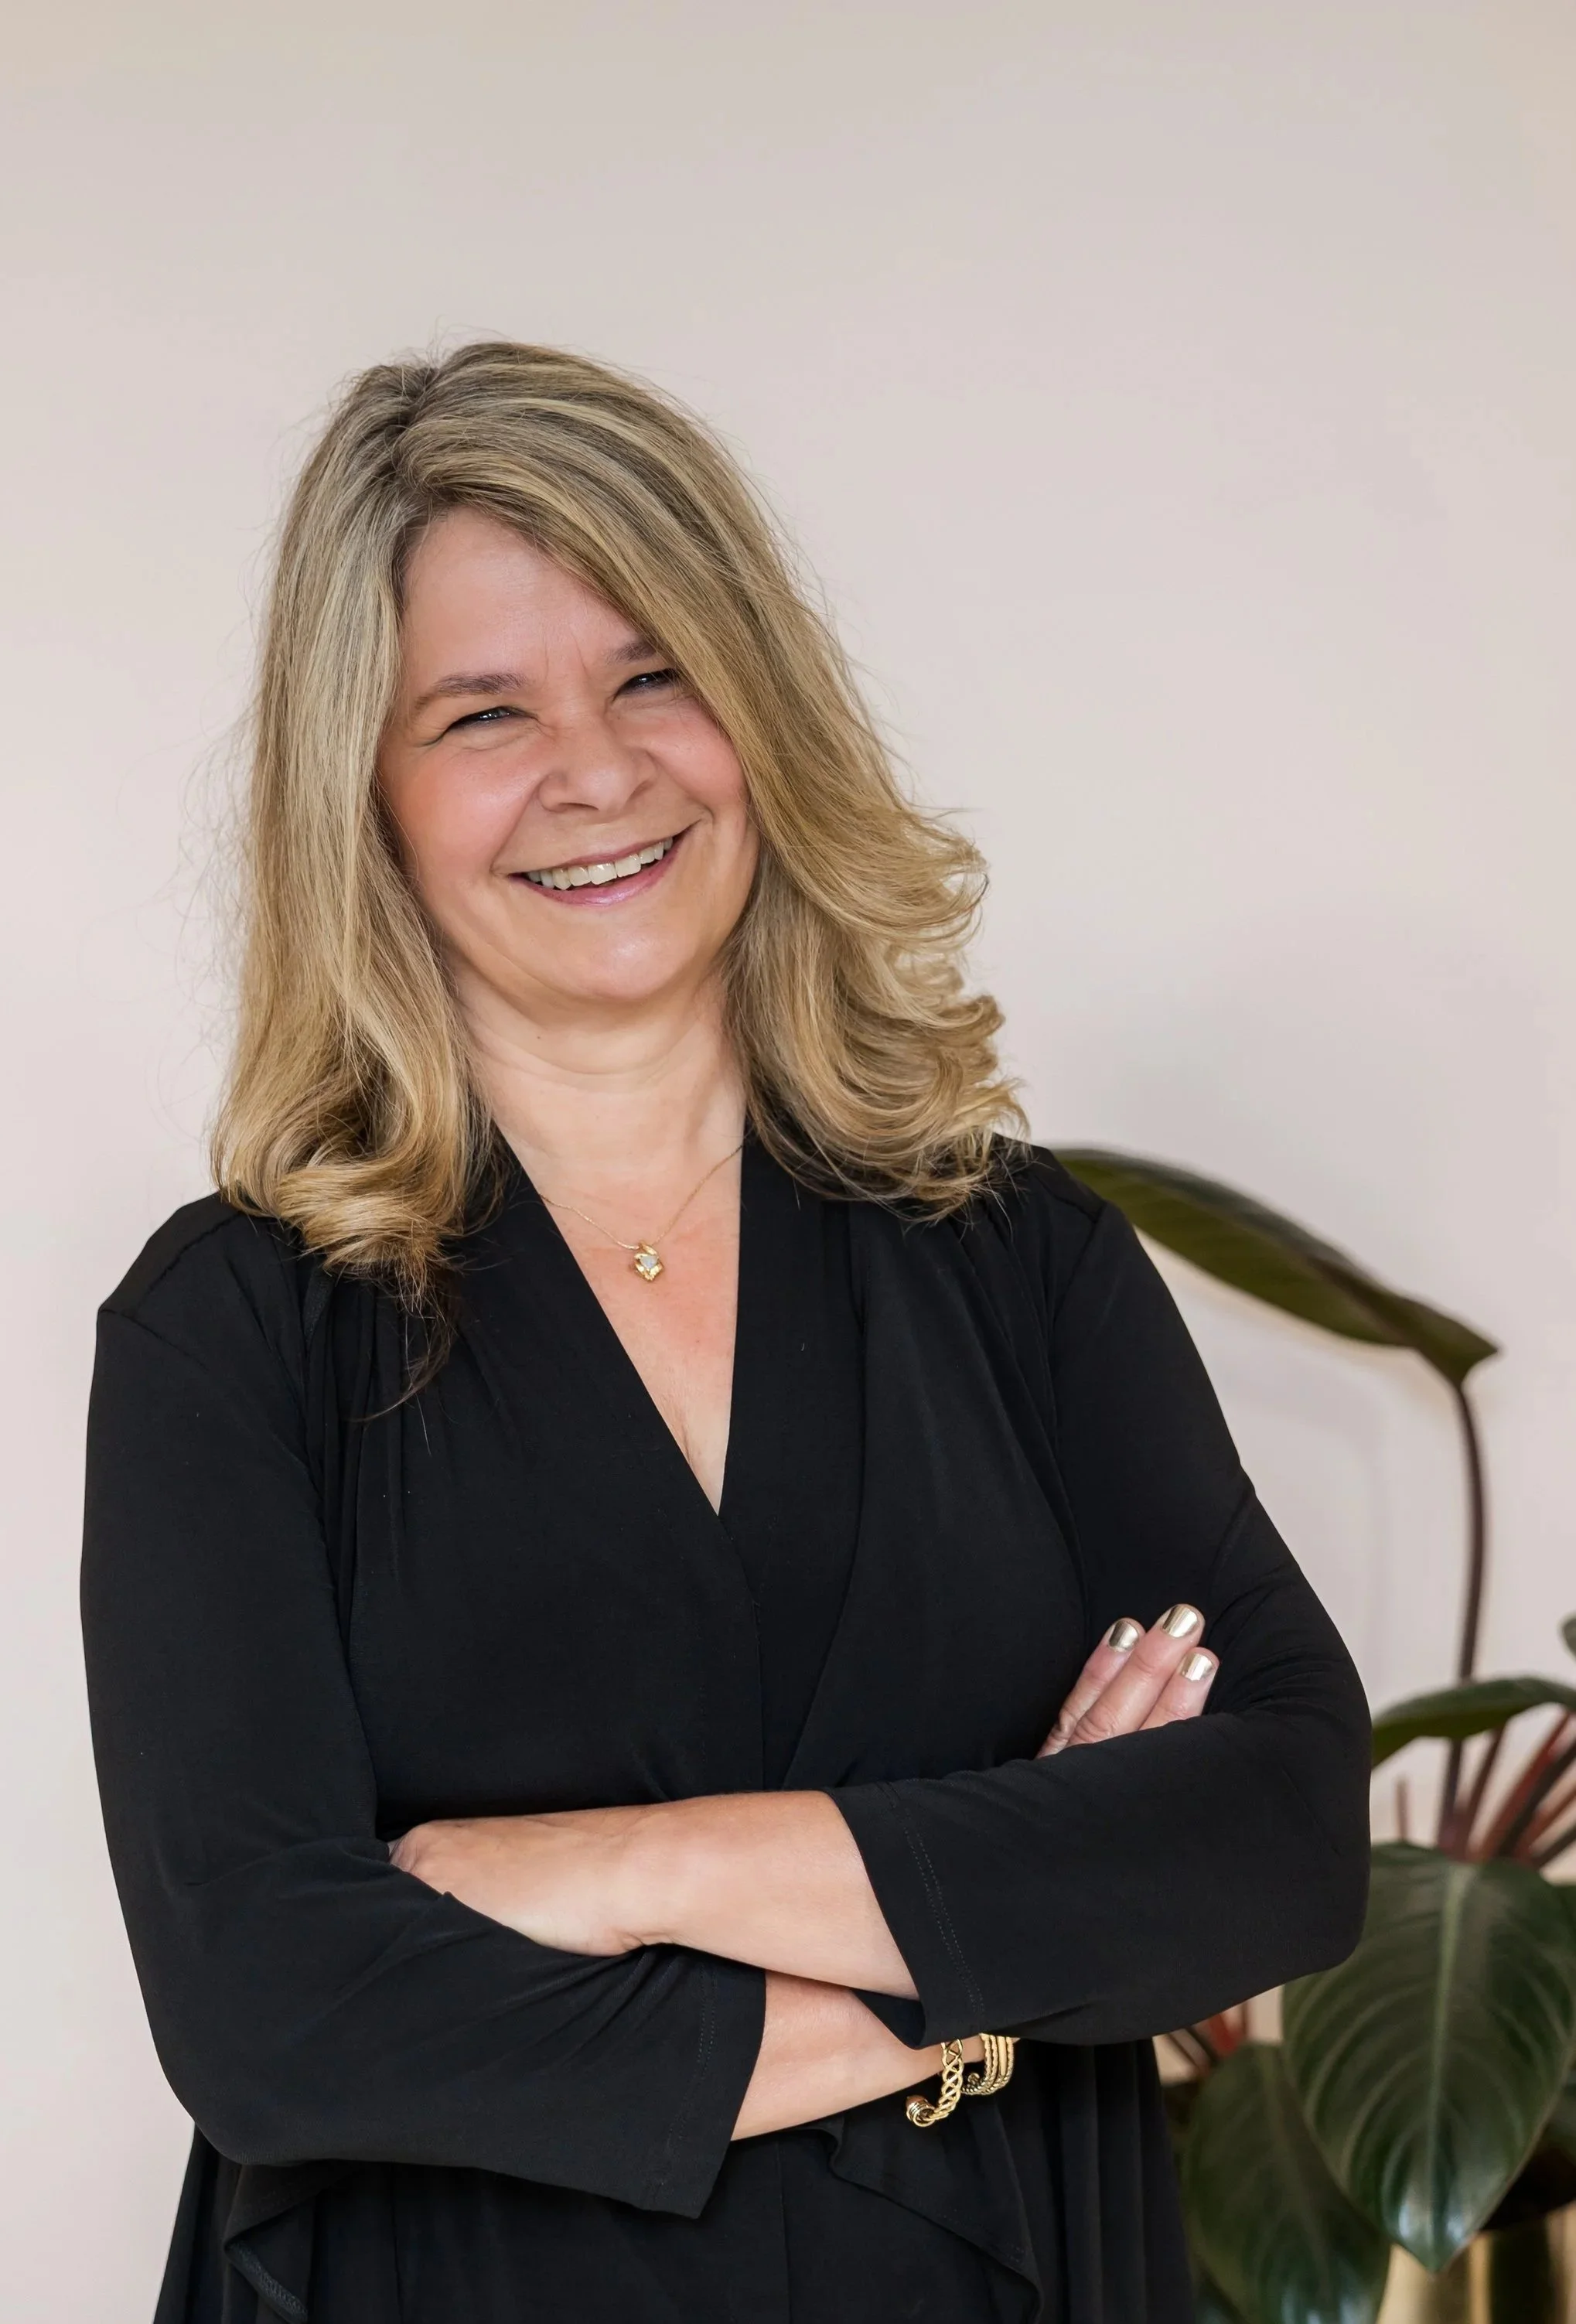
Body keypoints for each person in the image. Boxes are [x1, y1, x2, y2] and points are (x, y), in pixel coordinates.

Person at [80, 341, 1372, 2324]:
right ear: (367, 798)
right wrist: (984, 1956)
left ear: (755, 708)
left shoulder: (1019, 1260)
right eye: (482, 712)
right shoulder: (235, 1329)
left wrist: (606, 1869)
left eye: (653, 671)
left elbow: (1273, 1832)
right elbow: (277, 2008)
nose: (594, 770)